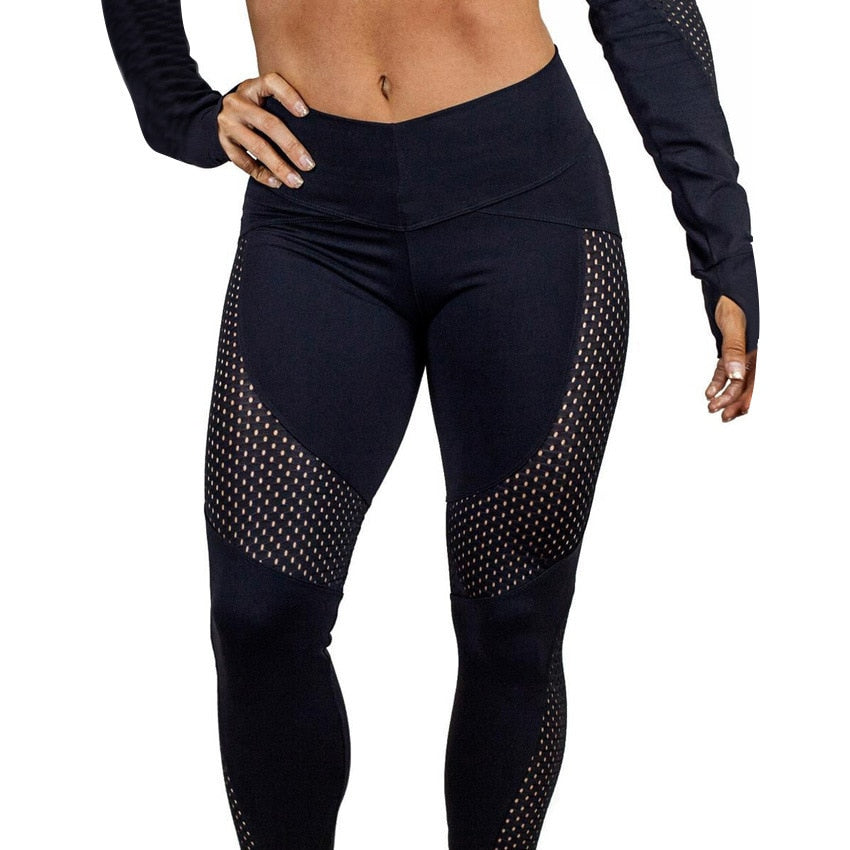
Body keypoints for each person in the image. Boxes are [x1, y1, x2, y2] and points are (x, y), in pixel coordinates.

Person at [101, 1, 760, 847]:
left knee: (512, 629)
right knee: (258, 618)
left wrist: (723, 249)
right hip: (311, 214)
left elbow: (643, 10)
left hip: (526, 207)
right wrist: (183, 113)